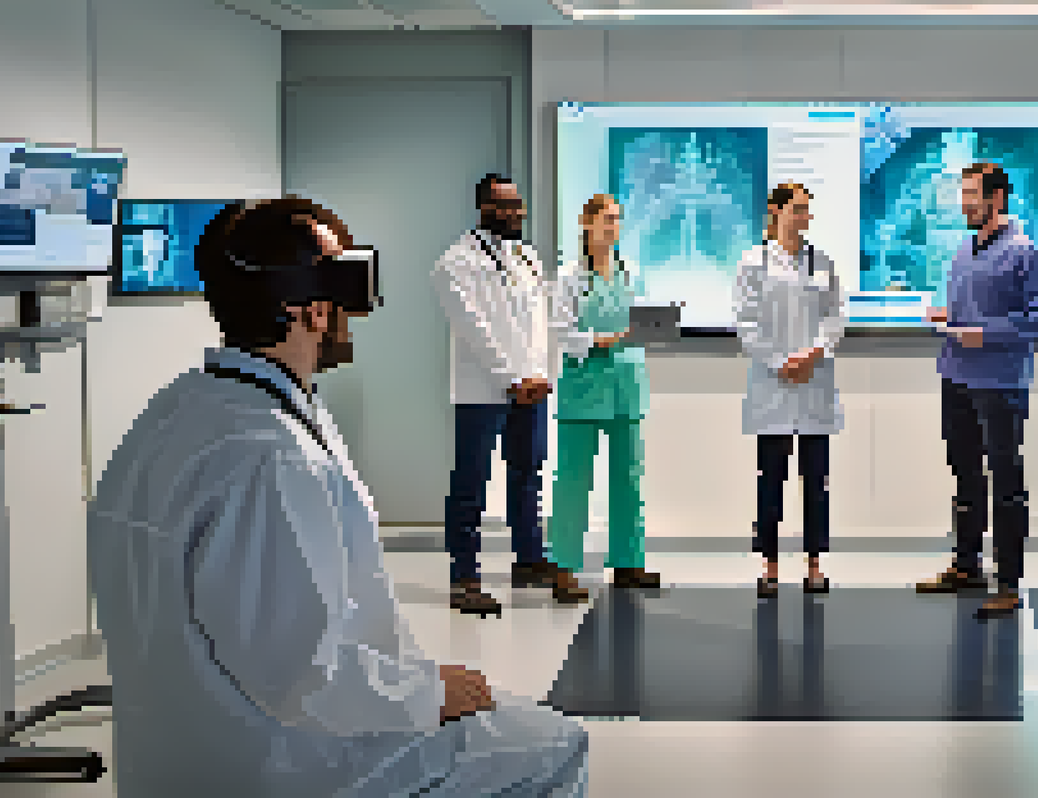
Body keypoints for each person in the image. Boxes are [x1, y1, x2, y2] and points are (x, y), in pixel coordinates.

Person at [87, 197, 589, 798]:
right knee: (557, 744)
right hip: (279, 763)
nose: (353, 315)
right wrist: (431, 694)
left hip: (179, 753)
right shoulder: (271, 457)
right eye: (346, 290)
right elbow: (303, 678)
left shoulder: (180, 408)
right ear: (311, 308)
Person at [433, 174, 588, 616]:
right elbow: (475, 329)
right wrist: (511, 377)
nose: (516, 213)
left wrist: (542, 374)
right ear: (484, 207)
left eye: (518, 205)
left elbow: (541, 323)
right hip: (483, 390)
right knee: (471, 481)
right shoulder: (454, 263)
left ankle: (529, 559)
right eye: (505, 206)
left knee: (528, 472)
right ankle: (464, 575)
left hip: (531, 386)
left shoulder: (527, 256)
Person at [918, 163, 1038, 620]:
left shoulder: (1025, 252)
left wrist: (986, 332)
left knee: (1006, 484)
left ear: (998, 199)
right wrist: (948, 317)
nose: (964, 203)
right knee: (965, 478)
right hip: (956, 376)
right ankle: (966, 565)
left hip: (999, 384)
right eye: (963, 194)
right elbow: (969, 314)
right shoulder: (964, 249)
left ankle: (1009, 584)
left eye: (972, 195)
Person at [734, 182, 847, 599]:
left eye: (806, 211)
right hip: (774, 384)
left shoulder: (823, 262)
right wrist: (782, 362)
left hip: (814, 381)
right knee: (772, 479)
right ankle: (770, 566)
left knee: (817, 479)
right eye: (797, 210)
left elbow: (835, 317)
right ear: (777, 211)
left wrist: (813, 354)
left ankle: (815, 564)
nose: (804, 218)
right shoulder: (754, 262)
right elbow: (745, 324)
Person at [546, 194, 663, 588]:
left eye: (617, 220)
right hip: (583, 385)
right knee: (573, 479)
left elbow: (645, 319)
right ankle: (563, 567)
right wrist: (599, 340)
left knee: (629, 477)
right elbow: (559, 331)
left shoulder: (632, 273)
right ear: (586, 223)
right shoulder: (569, 278)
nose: (613, 227)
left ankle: (629, 562)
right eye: (607, 219)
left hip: (627, 384)